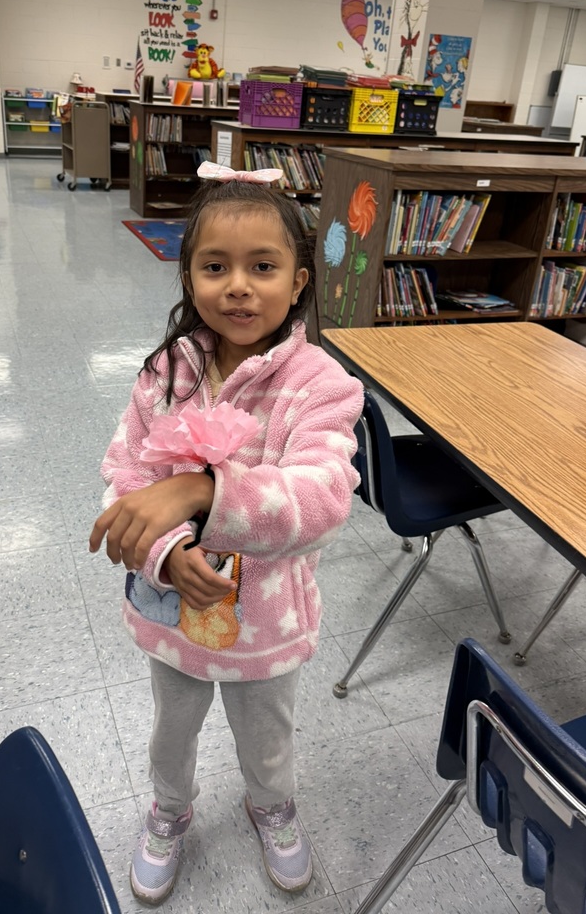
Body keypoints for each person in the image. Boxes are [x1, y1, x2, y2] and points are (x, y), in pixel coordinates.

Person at [89, 162, 363, 905]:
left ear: (299, 281)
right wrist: (164, 551)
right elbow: (122, 476)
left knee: (267, 738)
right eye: (215, 267)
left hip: (266, 624)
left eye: (263, 267)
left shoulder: (319, 385)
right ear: (189, 277)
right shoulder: (165, 373)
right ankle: (168, 811)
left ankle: (270, 807)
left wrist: (207, 491)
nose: (238, 286)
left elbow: (324, 497)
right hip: (172, 612)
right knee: (171, 729)